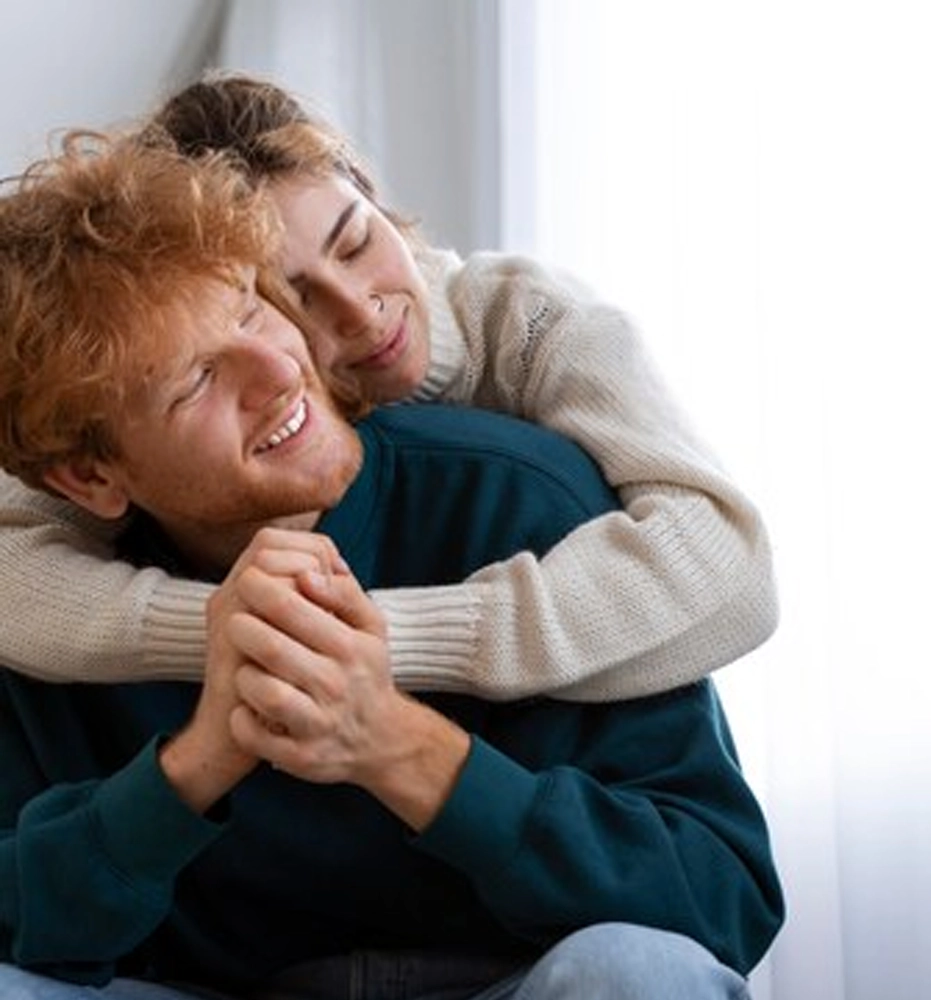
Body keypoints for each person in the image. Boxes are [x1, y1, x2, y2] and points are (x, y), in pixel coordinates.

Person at [0, 133, 782, 999]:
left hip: (519, 985)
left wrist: (399, 746)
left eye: (253, 310)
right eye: (194, 382)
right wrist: (197, 763)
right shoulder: (49, 611)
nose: (279, 370)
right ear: (90, 478)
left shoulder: (524, 498)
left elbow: (723, 895)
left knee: (639, 973)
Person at [0, 72, 778, 701]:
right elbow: (15, 579)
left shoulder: (535, 326)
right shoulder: (203, 385)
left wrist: (374, 636)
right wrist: (237, 629)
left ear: (376, 199)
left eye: (358, 240)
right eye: (289, 296)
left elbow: (732, 576)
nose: (361, 311)